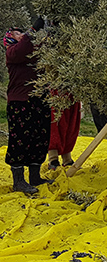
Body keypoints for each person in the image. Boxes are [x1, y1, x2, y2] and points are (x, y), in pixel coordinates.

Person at [3, 18, 54, 194]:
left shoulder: (32, 49)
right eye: (18, 33)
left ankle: (35, 177)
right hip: (20, 102)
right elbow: (24, 47)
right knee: (20, 140)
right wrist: (34, 29)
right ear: (10, 39)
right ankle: (18, 181)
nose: (22, 34)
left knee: (39, 137)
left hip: (40, 100)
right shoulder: (12, 52)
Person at [48, 93, 81, 170]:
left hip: (72, 93)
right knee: (56, 123)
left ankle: (67, 159)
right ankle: (53, 159)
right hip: (56, 92)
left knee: (71, 124)